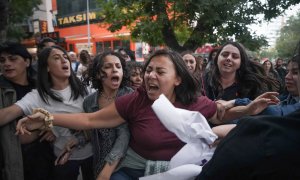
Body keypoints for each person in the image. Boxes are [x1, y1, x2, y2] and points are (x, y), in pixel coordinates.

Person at [16, 49, 278, 179]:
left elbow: (220, 116)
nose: (150, 75)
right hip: (131, 169)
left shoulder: (194, 101)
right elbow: (89, 119)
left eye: (160, 72)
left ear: (177, 80)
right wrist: (46, 117)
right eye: (149, 69)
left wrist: (249, 109)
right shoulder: (136, 99)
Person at [1, 45, 93, 180]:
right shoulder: (38, 96)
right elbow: (8, 114)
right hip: (63, 160)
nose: (64, 60)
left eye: (65, 57)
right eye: (57, 58)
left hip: (94, 154)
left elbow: (99, 119)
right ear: (47, 67)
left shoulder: (86, 86)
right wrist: (43, 127)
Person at [0, 42, 54, 180]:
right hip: (13, 163)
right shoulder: (3, 89)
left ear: (27, 62)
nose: (6, 64)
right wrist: (37, 131)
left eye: (12, 59)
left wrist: (51, 128)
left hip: (46, 159)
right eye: (2, 60)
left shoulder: (41, 88)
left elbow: (56, 115)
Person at [82, 51, 133, 179]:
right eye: (108, 66)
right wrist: (75, 141)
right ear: (98, 74)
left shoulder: (131, 97)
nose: (115, 69)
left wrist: (107, 170)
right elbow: (92, 133)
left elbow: (124, 134)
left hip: (126, 166)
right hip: (99, 164)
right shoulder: (89, 102)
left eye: (118, 66)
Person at [204, 41, 279, 101]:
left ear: (241, 63)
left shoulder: (252, 85)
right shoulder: (204, 80)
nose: (229, 58)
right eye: (224, 54)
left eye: (235, 56)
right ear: (217, 59)